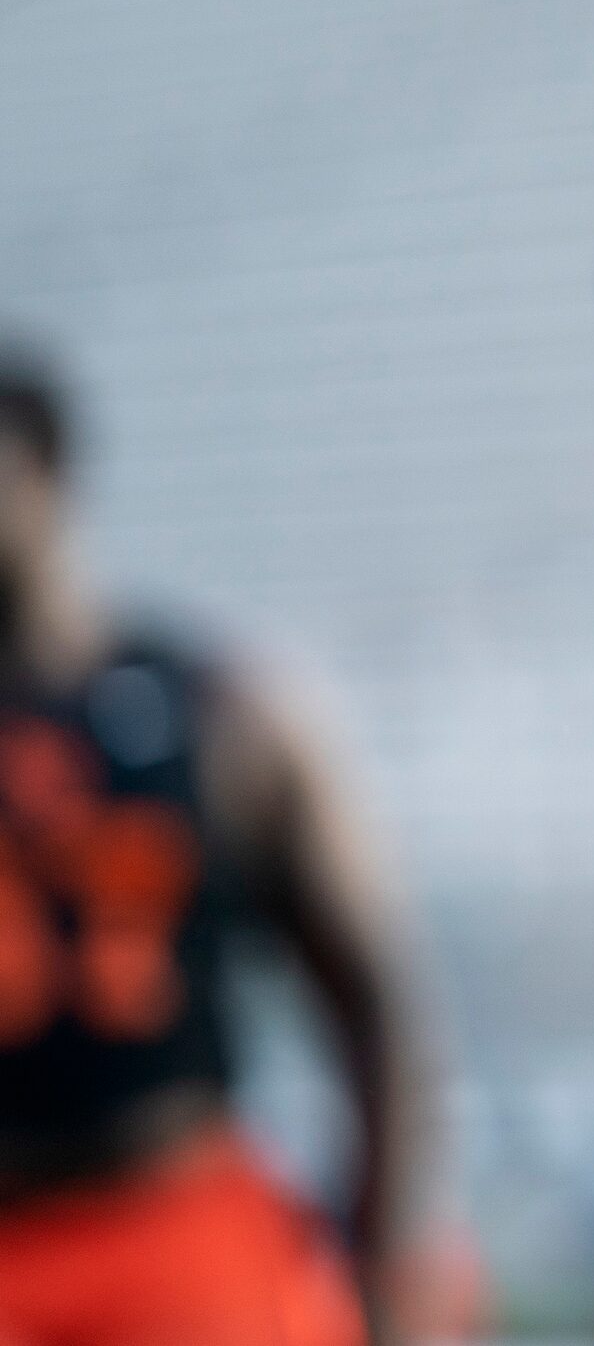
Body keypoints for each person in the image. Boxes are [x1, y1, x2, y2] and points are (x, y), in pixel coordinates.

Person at [0, 341, 423, 1346]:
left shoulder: (215, 710)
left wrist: (381, 1247)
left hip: (169, 1213)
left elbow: (371, 998)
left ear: (43, 464)